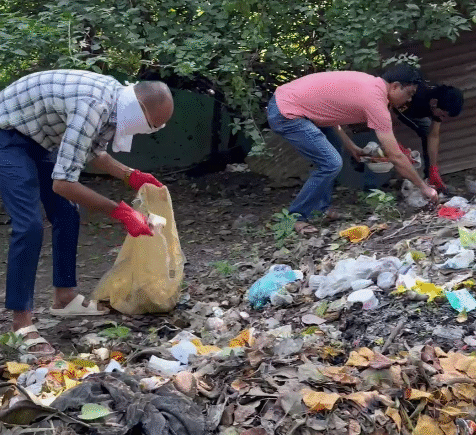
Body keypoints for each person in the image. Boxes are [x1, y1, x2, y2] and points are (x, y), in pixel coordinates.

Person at [0, 69, 174, 356]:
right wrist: (123, 212)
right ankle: (21, 324)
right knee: (28, 225)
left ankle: (64, 297)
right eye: (152, 126)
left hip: (39, 138)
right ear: (140, 111)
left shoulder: (114, 102)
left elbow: (95, 150)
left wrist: (131, 175)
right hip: (7, 136)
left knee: (68, 212)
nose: (151, 132)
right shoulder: (95, 105)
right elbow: (63, 183)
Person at [266, 64, 438, 235]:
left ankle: (320, 209)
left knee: (333, 153)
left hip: (291, 103)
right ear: (394, 86)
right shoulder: (375, 101)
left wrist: (351, 146)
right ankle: (294, 218)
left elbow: (328, 111)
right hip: (286, 112)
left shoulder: (370, 83)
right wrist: (423, 187)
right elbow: (395, 156)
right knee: (330, 163)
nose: (408, 100)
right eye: (409, 94)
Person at [394, 82, 464, 193]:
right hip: (402, 107)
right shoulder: (416, 96)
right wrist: (396, 145)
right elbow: (388, 115)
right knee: (423, 130)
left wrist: (434, 168)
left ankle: (430, 177)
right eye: (442, 115)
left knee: (428, 132)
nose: (442, 118)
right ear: (434, 103)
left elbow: (434, 135)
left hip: (419, 109)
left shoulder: (440, 100)